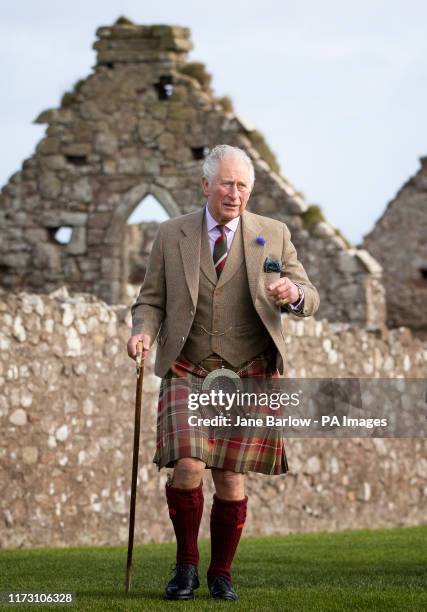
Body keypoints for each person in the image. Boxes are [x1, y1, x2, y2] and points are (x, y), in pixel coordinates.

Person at [127, 144, 320, 601]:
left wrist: (292, 293)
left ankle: (221, 573)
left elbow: (309, 296)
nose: (235, 193)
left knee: (231, 477)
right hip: (187, 365)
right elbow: (150, 300)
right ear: (206, 185)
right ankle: (185, 568)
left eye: (243, 186)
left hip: (249, 369)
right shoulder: (172, 234)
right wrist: (142, 333)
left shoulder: (273, 233)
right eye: (227, 183)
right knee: (188, 466)